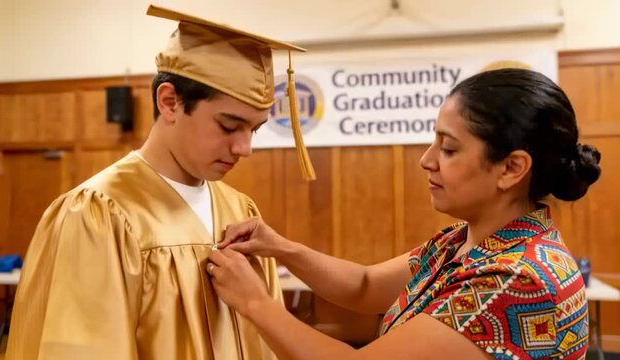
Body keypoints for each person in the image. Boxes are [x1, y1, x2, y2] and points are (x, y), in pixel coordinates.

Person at [207, 68, 601, 359]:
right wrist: (281, 248)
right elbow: (363, 285)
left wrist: (254, 302)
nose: (426, 160)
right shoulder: (462, 242)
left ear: (512, 168)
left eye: (448, 149)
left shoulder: (514, 277)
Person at [6, 4, 312, 359]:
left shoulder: (239, 210)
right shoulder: (99, 215)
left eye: (254, 130)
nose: (244, 148)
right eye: (229, 126)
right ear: (169, 102)